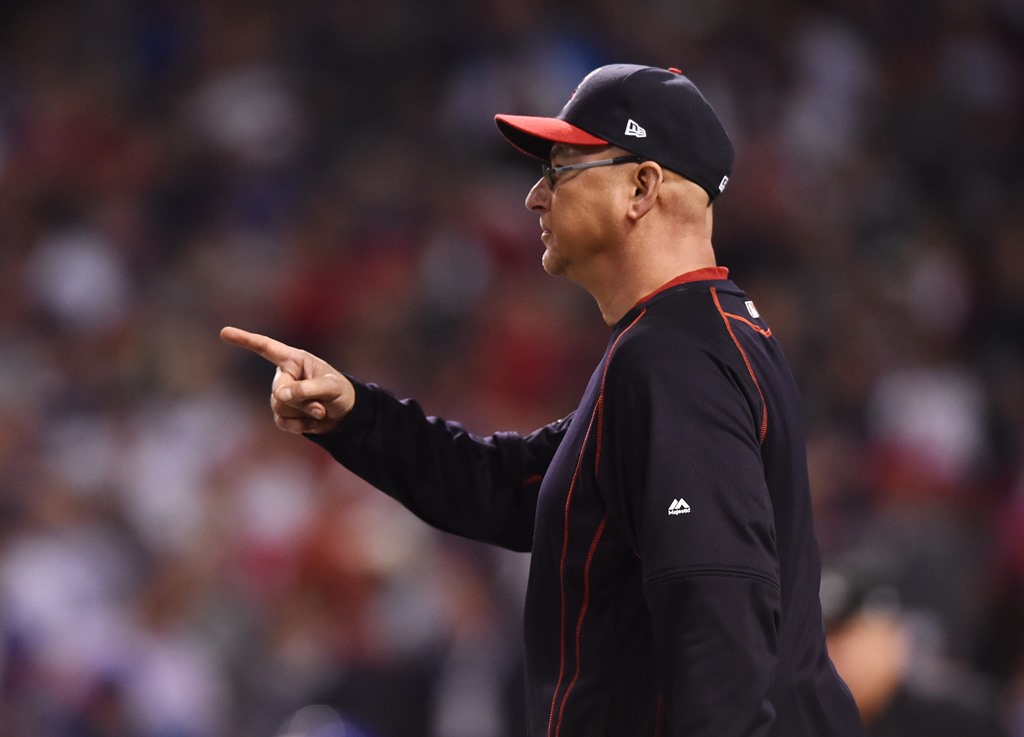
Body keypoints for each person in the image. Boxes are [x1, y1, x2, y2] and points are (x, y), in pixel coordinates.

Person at [222, 63, 864, 736]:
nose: (533, 197)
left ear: (641, 186)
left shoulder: (675, 359)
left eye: (559, 169)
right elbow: (508, 484)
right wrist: (355, 414)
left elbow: (717, 620)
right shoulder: (687, 339)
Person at [821, 558, 1010, 737]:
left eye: (854, 633)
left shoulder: (961, 716)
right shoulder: (812, 719)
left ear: (894, 635)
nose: (838, 652)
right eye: (827, 637)